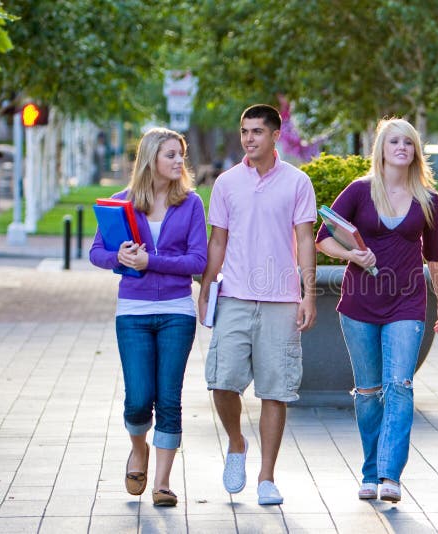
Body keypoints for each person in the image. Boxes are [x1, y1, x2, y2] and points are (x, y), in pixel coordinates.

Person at [316, 118, 438, 503]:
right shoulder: (359, 191)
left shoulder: (429, 200)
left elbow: (437, 257)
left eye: (408, 142)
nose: (401, 148)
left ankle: (390, 474)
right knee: (369, 391)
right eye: (394, 141)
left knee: (400, 385)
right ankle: (370, 471)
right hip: (359, 303)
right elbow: (324, 238)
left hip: (408, 302)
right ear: (381, 148)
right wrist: (351, 254)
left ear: (415, 151)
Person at [198, 104, 317, 506]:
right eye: (244, 131)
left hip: (282, 300)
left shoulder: (298, 182)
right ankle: (236, 443)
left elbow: (304, 240)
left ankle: (267, 477)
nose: (249, 139)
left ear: (275, 135)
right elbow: (218, 241)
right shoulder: (227, 183)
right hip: (233, 295)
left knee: (275, 390)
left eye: (257, 132)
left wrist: (308, 293)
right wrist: (205, 288)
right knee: (221, 381)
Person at [89, 128, 208, 507]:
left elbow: (198, 262)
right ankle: (137, 449)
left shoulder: (190, 204)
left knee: (168, 399)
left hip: (176, 311)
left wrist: (150, 260)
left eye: (181, 155)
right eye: (171, 154)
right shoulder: (121, 204)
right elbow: (96, 252)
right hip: (133, 312)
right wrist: (118, 258)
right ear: (151, 158)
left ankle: (162, 483)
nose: (179, 162)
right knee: (139, 398)